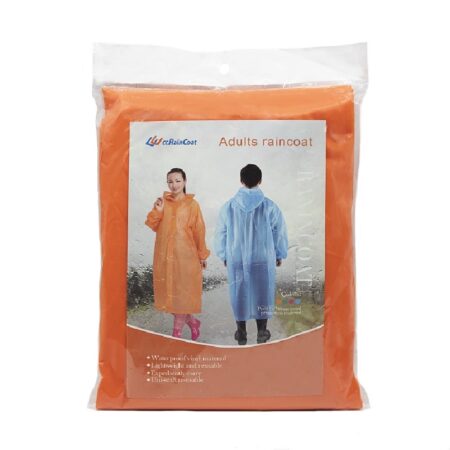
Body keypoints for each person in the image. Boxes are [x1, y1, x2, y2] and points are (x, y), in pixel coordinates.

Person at [214, 164, 288, 345]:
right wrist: (279, 253)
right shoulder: (269, 206)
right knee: (263, 291)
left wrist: (224, 255)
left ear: (241, 180)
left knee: (239, 291)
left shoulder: (228, 207)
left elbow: (221, 233)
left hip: (237, 257)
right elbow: (279, 232)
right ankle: (262, 331)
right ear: (260, 180)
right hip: (263, 257)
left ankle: (241, 332)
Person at [145, 168, 210, 340]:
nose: (174, 185)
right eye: (170, 181)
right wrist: (158, 211)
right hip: (164, 257)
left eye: (177, 181)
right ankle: (193, 322)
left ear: (185, 181)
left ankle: (176, 336)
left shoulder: (193, 205)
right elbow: (152, 225)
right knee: (170, 300)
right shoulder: (162, 203)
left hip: (186, 257)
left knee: (182, 298)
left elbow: (199, 231)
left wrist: (202, 255)